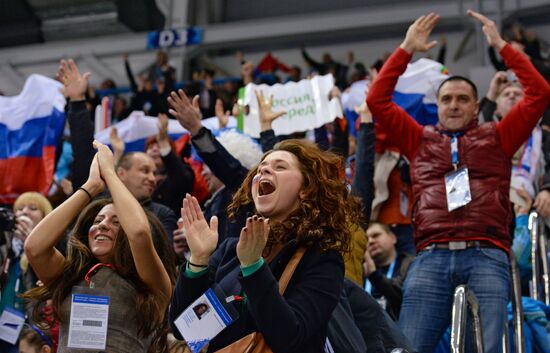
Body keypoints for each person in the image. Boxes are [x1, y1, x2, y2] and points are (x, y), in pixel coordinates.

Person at [366, 10, 550, 353]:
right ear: (436, 106)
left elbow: (539, 93)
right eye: (446, 99)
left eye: (462, 99)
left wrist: (502, 46)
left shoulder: (498, 136)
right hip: (430, 256)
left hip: (487, 254)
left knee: (485, 349)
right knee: (407, 347)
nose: (453, 105)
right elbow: (376, 99)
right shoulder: (418, 139)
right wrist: (406, 49)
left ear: (476, 106)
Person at [168, 86, 362, 351]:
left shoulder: (321, 258)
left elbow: (290, 337)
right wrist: (198, 262)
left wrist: (254, 268)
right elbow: (185, 331)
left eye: (279, 167)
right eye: (260, 169)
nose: (264, 170)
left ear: (306, 190)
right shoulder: (229, 250)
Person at [23, 141, 176, 353]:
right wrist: (91, 187)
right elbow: (34, 246)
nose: (102, 225)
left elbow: (139, 232)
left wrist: (110, 174)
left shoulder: (152, 283)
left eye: (116, 222)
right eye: (97, 220)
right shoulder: (70, 276)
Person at [0, 193, 52, 353]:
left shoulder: (54, 245)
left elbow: (49, 279)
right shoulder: (6, 244)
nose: (24, 212)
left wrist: (33, 241)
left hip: (33, 333)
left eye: (33, 208)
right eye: (19, 209)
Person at [363, 222, 413, 321]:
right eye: (366, 239)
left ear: (393, 238)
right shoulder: (362, 270)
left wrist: (375, 276)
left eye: (376, 235)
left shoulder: (408, 264)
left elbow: (403, 297)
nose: (371, 241)